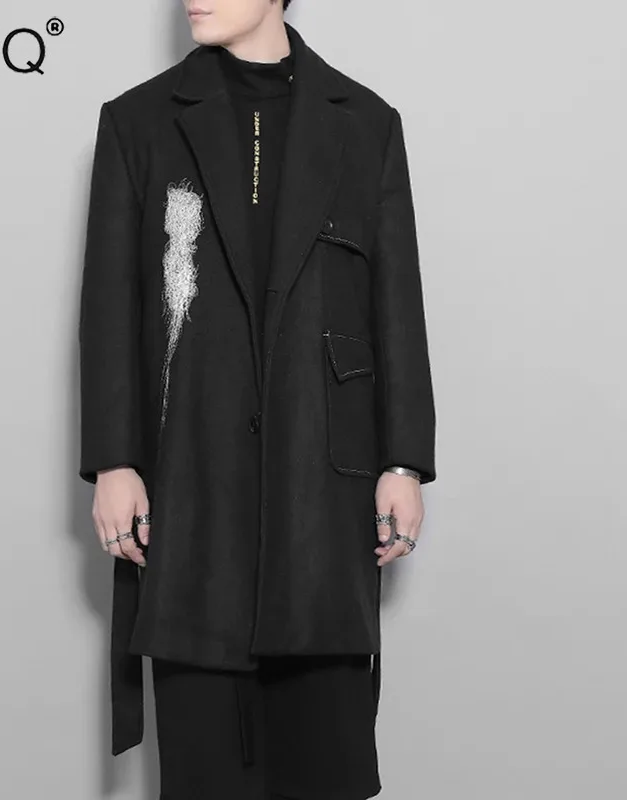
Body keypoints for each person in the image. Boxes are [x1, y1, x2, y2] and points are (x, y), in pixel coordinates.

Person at [78, 0, 436, 797]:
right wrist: (113, 461)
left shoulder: (367, 124)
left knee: (327, 768)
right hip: (190, 491)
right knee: (205, 773)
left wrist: (404, 463)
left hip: (323, 501)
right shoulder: (137, 122)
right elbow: (110, 304)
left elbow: (397, 308)